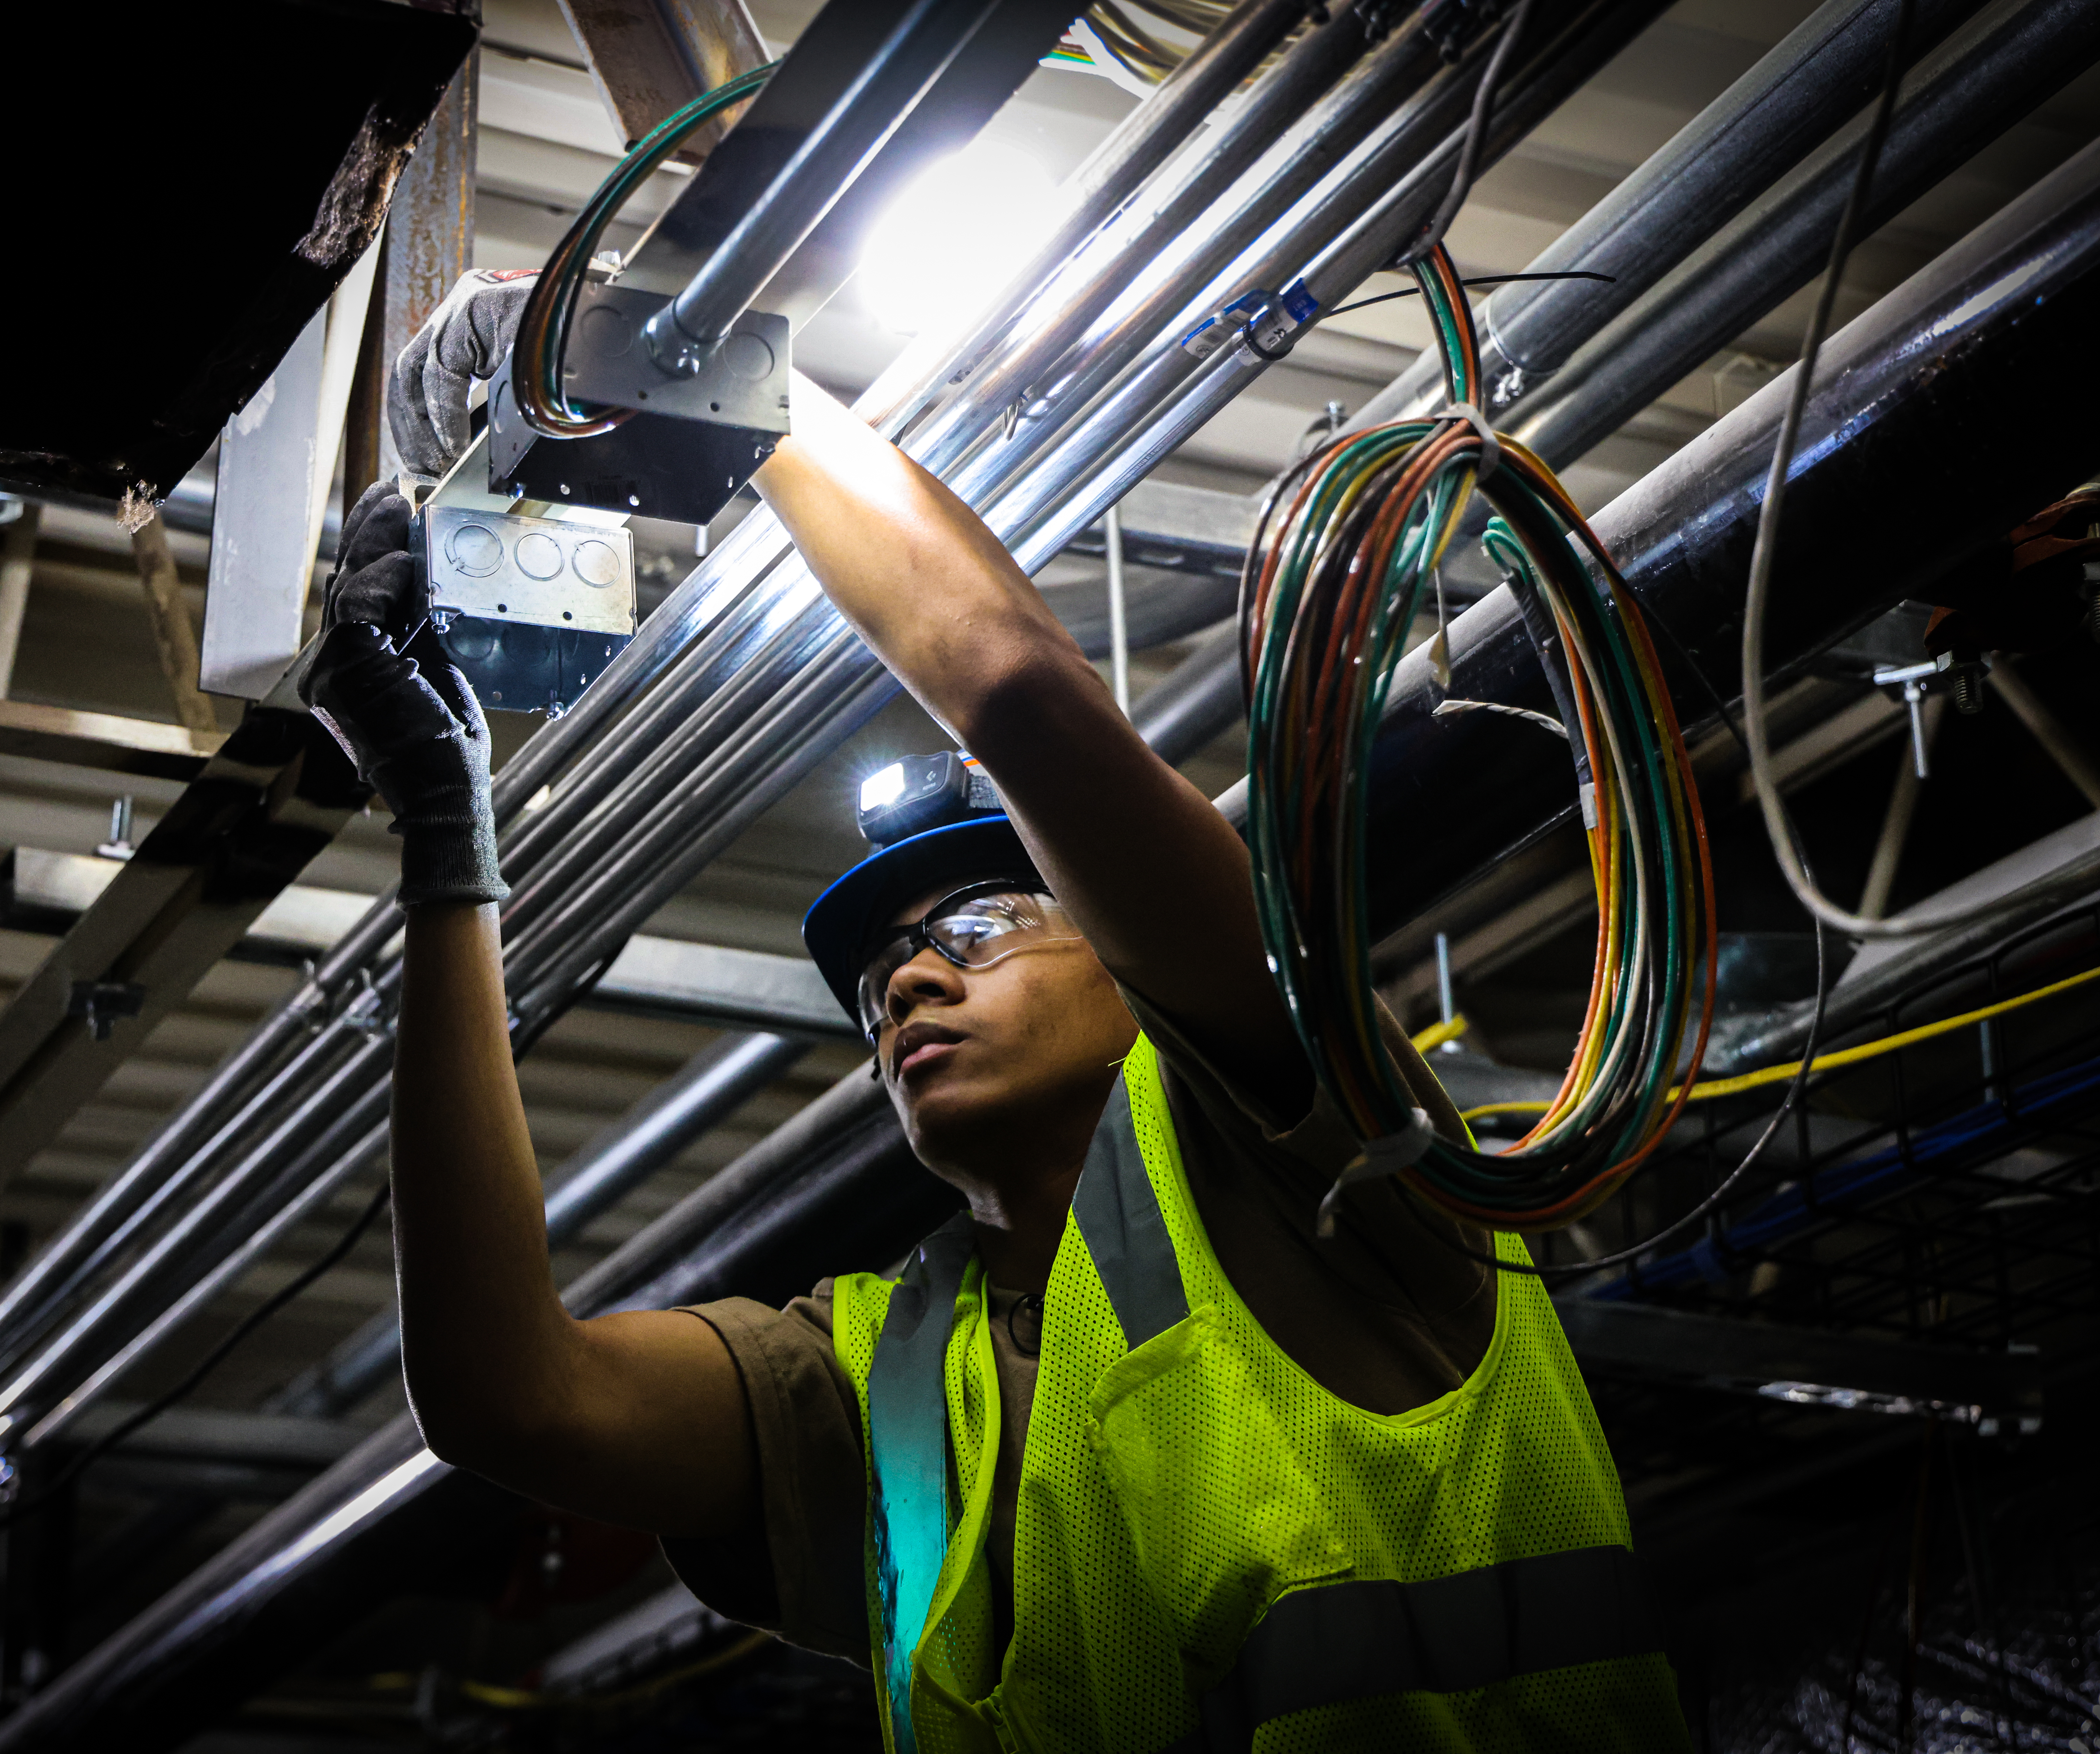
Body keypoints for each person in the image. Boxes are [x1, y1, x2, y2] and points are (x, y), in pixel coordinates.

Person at [305, 276, 1690, 1751]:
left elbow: (1019, 692)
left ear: (1127, 966)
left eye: (976, 927)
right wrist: (447, 846)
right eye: (881, 974)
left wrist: (702, 376)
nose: (906, 978)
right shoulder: (883, 1379)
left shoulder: (1306, 1154)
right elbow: (509, 1395)